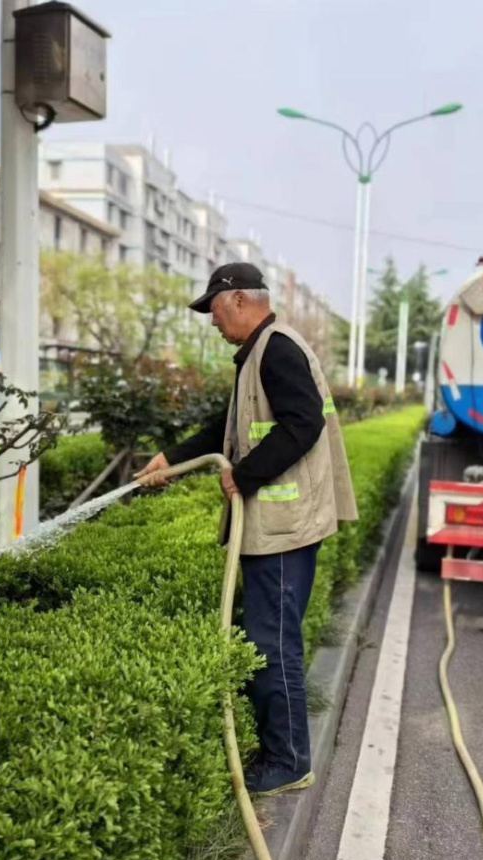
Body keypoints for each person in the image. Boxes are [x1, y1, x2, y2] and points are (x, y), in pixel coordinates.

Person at [137, 262, 358, 794]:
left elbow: (302, 424)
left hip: (284, 528)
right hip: (278, 524)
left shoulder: (277, 349)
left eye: (212, 309)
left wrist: (246, 475)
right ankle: (281, 748)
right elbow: (228, 424)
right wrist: (172, 457)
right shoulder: (260, 353)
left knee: (271, 642)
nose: (211, 322)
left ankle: (288, 762)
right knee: (265, 636)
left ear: (237, 300)